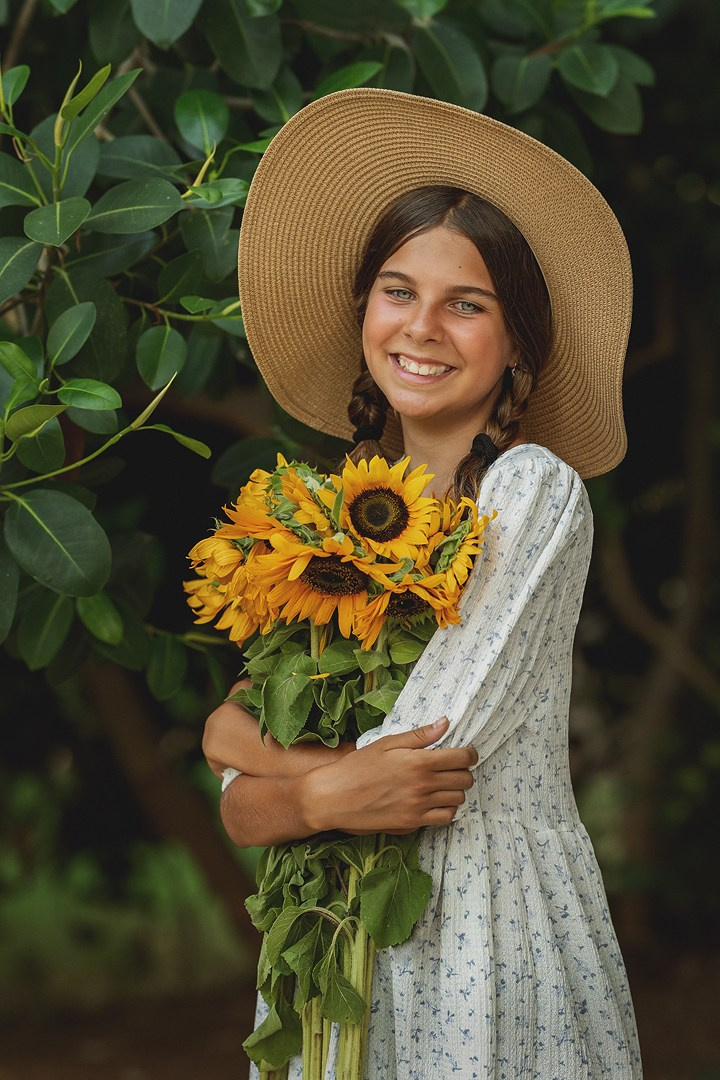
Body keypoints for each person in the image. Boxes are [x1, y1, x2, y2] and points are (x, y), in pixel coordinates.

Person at [203, 89, 642, 1078]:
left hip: (485, 930)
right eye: (399, 290)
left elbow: (411, 765)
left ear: (518, 339)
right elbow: (245, 777)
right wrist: (299, 787)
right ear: (365, 307)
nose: (425, 326)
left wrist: (263, 772)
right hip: (333, 936)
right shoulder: (318, 521)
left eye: (468, 303)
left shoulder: (532, 494)